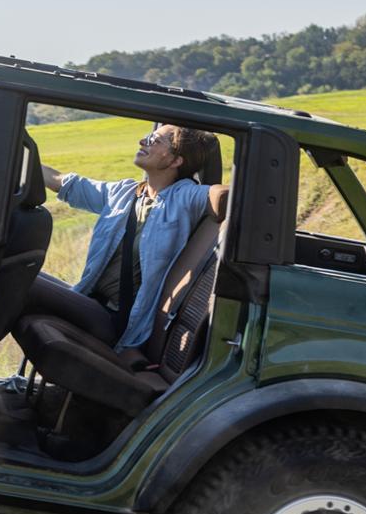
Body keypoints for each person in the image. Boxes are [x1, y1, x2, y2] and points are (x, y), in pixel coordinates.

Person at [27, 124, 229, 353]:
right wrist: (22, 155)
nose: (143, 142)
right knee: (21, 273)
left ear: (176, 161)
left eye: (154, 140)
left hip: (117, 320)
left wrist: (225, 191)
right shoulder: (124, 193)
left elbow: (222, 196)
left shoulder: (183, 196)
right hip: (90, 299)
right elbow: (66, 184)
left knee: (26, 285)